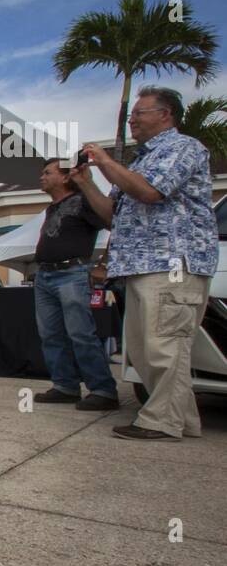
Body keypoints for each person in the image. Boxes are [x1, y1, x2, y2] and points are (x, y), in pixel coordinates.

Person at [71, 86, 219, 441]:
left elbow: (151, 192)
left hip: (171, 262)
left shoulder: (183, 148)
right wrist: (87, 183)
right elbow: (112, 216)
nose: (132, 120)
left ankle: (162, 421)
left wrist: (106, 161)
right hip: (138, 264)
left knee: (163, 345)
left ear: (165, 115)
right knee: (142, 349)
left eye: (140, 113)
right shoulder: (141, 161)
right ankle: (180, 420)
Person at [30, 158, 118, 410]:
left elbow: (115, 225)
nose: (42, 177)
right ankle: (65, 385)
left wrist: (103, 263)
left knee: (80, 332)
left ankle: (103, 390)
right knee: (50, 334)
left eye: (48, 173)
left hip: (72, 272)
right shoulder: (52, 207)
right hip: (45, 275)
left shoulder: (84, 202)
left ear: (66, 177)